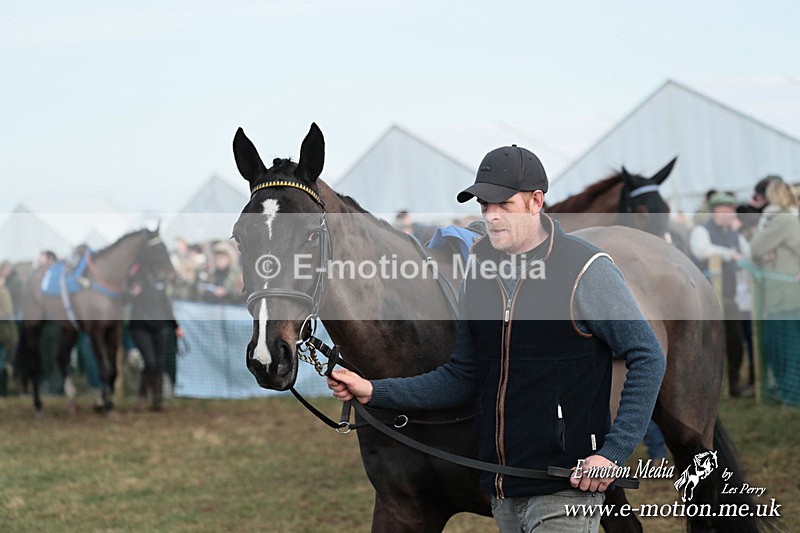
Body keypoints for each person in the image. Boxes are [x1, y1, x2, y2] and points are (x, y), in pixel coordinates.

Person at [328, 145, 666, 532]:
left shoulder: (586, 268)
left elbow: (647, 355)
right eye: (484, 205)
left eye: (503, 204)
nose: (491, 216)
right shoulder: (479, 278)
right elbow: (461, 377)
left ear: (536, 201)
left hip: (565, 490)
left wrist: (615, 451)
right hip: (504, 495)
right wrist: (374, 390)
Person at [689, 192, 752, 397]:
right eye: (725, 209)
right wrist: (729, 254)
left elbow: (748, 254)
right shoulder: (701, 230)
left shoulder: (735, 234)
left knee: (735, 343)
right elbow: (702, 250)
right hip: (705, 300)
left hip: (730, 298)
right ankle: (706, 388)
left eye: (731, 209)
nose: (730, 213)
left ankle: (732, 384)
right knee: (706, 344)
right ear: (715, 210)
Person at [750, 180, 800, 406]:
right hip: (784, 294)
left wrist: (764, 253)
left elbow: (755, 247)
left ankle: (791, 396)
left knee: (788, 348)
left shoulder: (782, 219)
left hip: (786, 295)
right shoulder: (788, 217)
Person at [128, 265, 184, 411]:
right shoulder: (136, 280)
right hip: (140, 328)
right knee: (150, 362)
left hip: (159, 328)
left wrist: (176, 326)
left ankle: (157, 400)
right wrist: (131, 293)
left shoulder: (161, 284)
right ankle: (142, 397)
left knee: (159, 364)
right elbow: (124, 297)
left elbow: (166, 307)